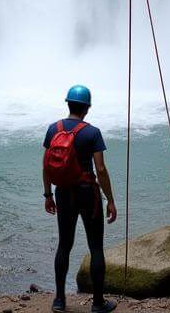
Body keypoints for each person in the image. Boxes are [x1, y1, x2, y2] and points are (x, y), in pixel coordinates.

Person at [43, 85, 118, 313]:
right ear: (87, 107)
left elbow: (46, 165)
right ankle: (97, 303)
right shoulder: (92, 132)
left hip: (63, 191)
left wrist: (48, 194)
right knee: (96, 247)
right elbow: (101, 169)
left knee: (64, 245)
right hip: (88, 192)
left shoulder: (53, 129)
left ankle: (59, 300)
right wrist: (110, 200)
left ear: (68, 104)